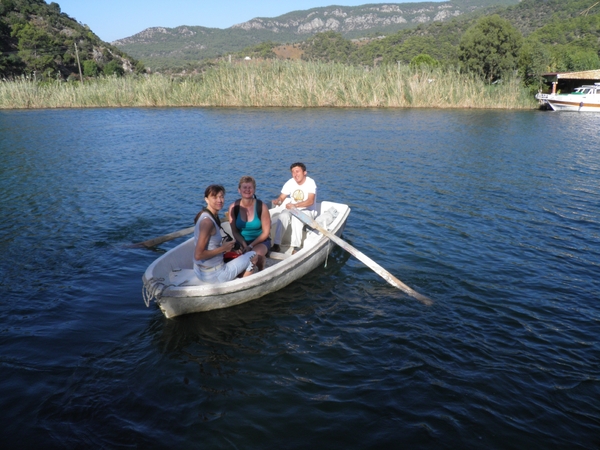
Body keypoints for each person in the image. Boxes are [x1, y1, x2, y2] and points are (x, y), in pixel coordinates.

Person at [193, 184, 258, 283]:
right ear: (206, 199)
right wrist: (223, 249)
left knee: (235, 255)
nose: (219, 200)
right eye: (214, 197)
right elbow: (198, 255)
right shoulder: (207, 222)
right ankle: (241, 286)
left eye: (221, 196)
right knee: (254, 255)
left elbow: (209, 245)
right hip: (214, 275)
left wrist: (227, 248)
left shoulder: (203, 215)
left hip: (199, 271)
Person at [271, 162, 317, 253]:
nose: (295, 174)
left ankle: (296, 247)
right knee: (283, 216)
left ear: (304, 172)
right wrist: (278, 201)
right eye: (293, 172)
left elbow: (310, 201)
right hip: (292, 209)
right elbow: (282, 198)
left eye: (297, 171)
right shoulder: (290, 182)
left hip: (307, 211)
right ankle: (276, 244)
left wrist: (295, 205)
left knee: (297, 217)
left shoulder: (310, 182)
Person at [228, 176, 270, 271]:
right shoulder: (233, 207)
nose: (247, 190)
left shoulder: (262, 206)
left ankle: (261, 266)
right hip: (241, 241)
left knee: (254, 255)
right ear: (239, 190)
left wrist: (250, 246)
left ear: (254, 190)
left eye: (250, 187)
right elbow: (235, 232)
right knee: (229, 255)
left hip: (260, 241)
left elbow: (266, 233)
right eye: (244, 187)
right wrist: (244, 245)